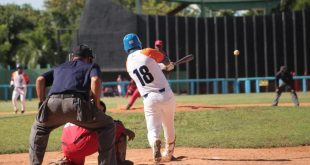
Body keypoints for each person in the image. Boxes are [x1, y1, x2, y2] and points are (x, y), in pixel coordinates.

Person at [29, 44, 117, 165]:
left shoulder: (59, 67)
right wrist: (96, 105)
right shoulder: (91, 66)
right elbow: (95, 80)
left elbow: (40, 80)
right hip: (77, 104)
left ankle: (34, 163)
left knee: (39, 128)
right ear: (90, 58)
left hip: (52, 103)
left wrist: (41, 102)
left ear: (72, 57)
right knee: (108, 125)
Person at [123, 33, 176, 163]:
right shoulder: (147, 51)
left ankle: (154, 143)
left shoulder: (128, 63)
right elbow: (166, 61)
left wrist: (161, 67)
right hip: (166, 96)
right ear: (138, 43)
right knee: (168, 125)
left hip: (149, 98)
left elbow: (147, 68)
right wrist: (168, 66)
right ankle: (168, 154)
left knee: (152, 129)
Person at [55, 101, 135, 165]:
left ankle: (68, 162)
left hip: (67, 149)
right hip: (83, 144)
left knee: (75, 161)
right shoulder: (94, 115)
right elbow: (114, 127)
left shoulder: (74, 116)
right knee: (117, 126)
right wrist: (125, 130)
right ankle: (119, 162)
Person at [124, 40, 173, 110]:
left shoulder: (163, 54)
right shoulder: (151, 53)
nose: (157, 47)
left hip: (158, 78)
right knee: (138, 91)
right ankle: (129, 104)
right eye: (156, 45)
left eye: (159, 46)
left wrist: (167, 68)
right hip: (148, 76)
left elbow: (167, 68)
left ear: (162, 46)